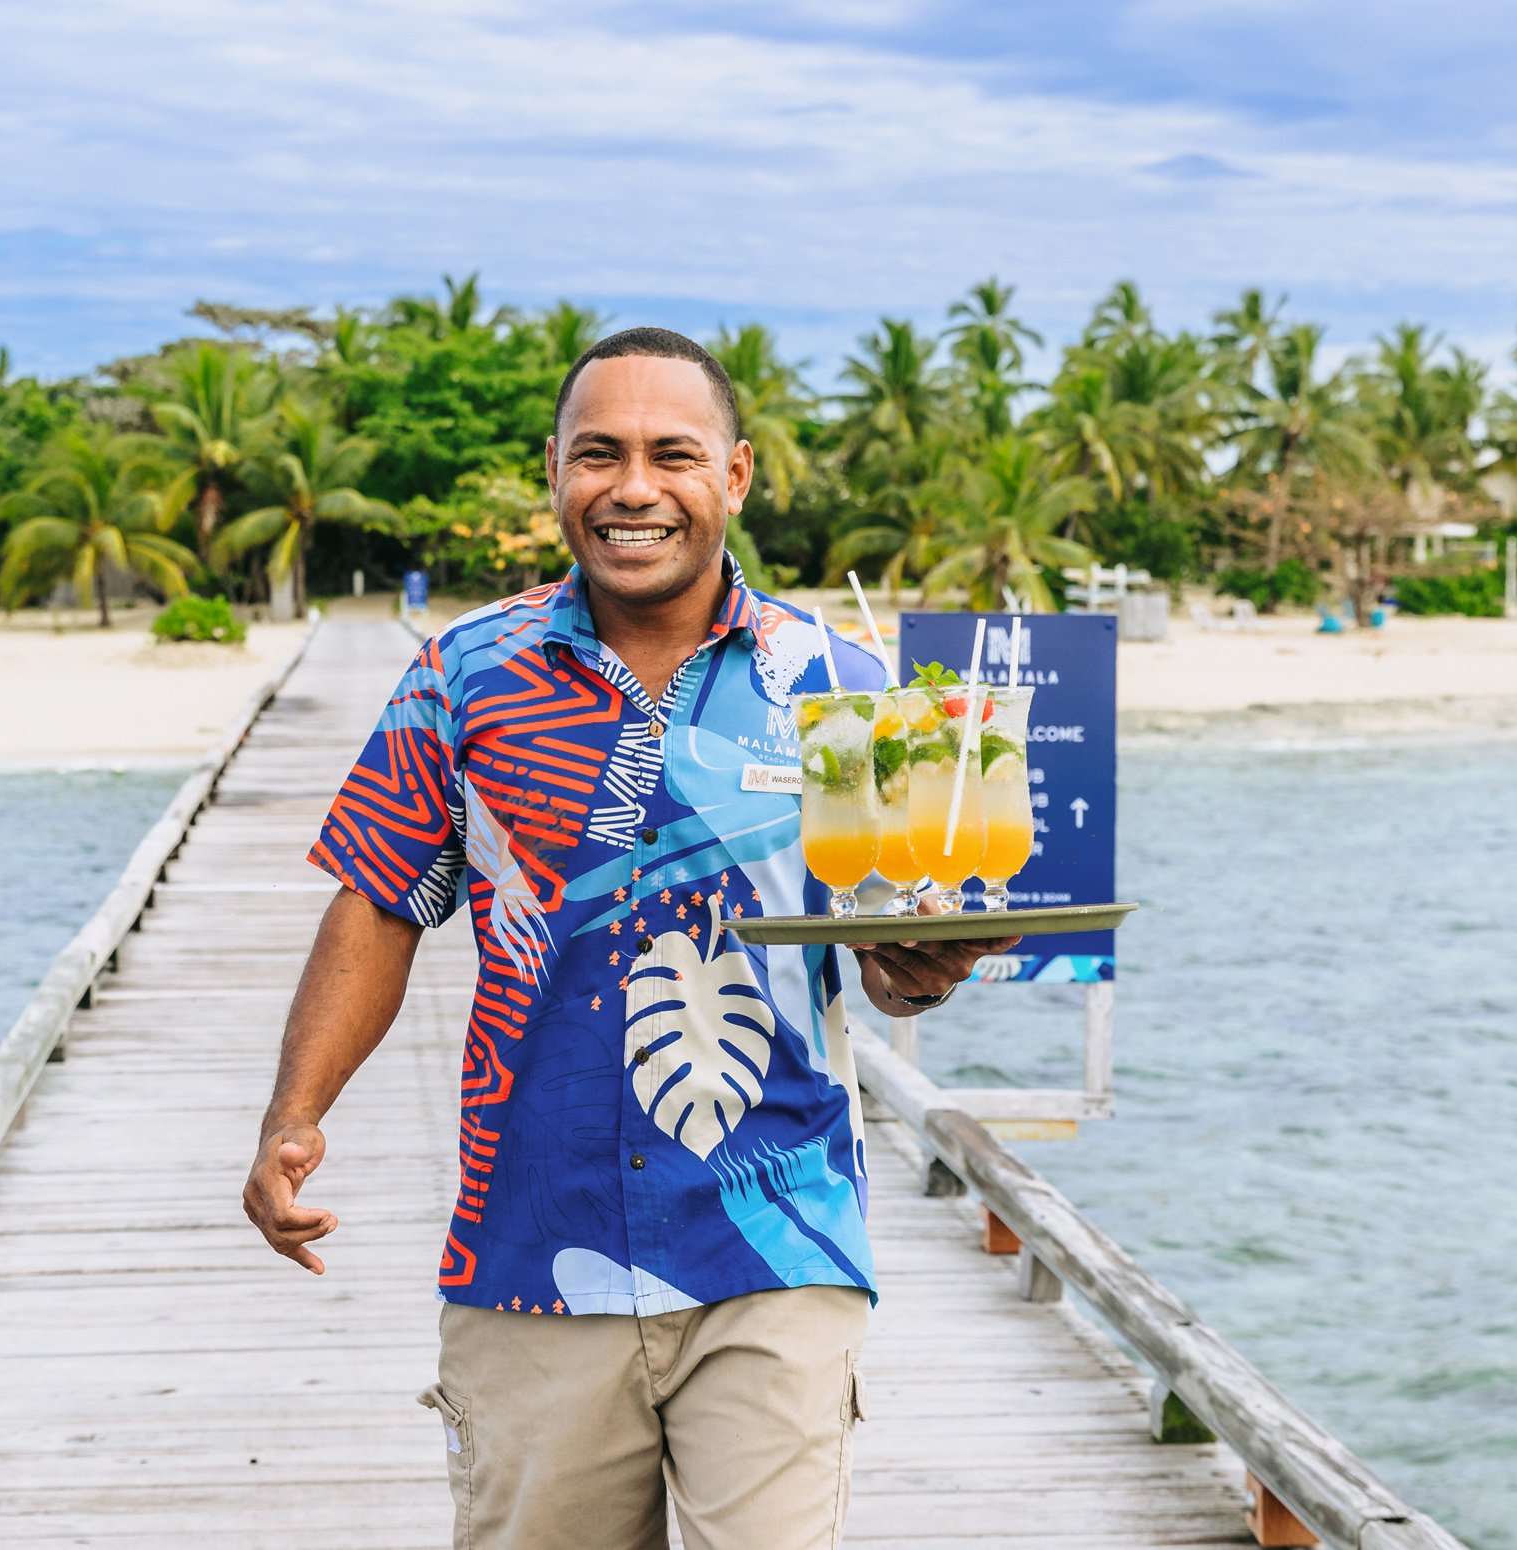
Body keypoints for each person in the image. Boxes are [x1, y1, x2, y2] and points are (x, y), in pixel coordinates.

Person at [242, 327, 1020, 1549]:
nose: (634, 487)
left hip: (775, 1236)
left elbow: (887, 945)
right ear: (553, 470)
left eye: (674, 453)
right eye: (598, 454)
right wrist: (295, 1114)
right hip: (529, 1249)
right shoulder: (462, 675)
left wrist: (915, 974)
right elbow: (377, 896)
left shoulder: (842, 684)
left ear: (738, 474)